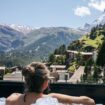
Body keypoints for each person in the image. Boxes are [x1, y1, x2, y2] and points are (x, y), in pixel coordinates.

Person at [6, 62, 95, 105]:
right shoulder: (52, 99)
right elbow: (89, 102)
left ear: (26, 80)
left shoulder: (11, 100)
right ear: (45, 83)